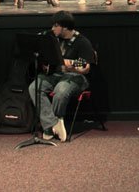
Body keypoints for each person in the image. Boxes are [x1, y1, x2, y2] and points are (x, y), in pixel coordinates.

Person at [28, 11, 95, 142]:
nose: (52, 28)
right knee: (34, 87)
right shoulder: (53, 39)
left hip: (76, 77)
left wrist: (67, 63)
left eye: (55, 26)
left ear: (64, 27)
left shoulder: (82, 42)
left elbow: (85, 66)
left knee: (61, 89)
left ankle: (53, 123)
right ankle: (52, 124)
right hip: (55, 75)